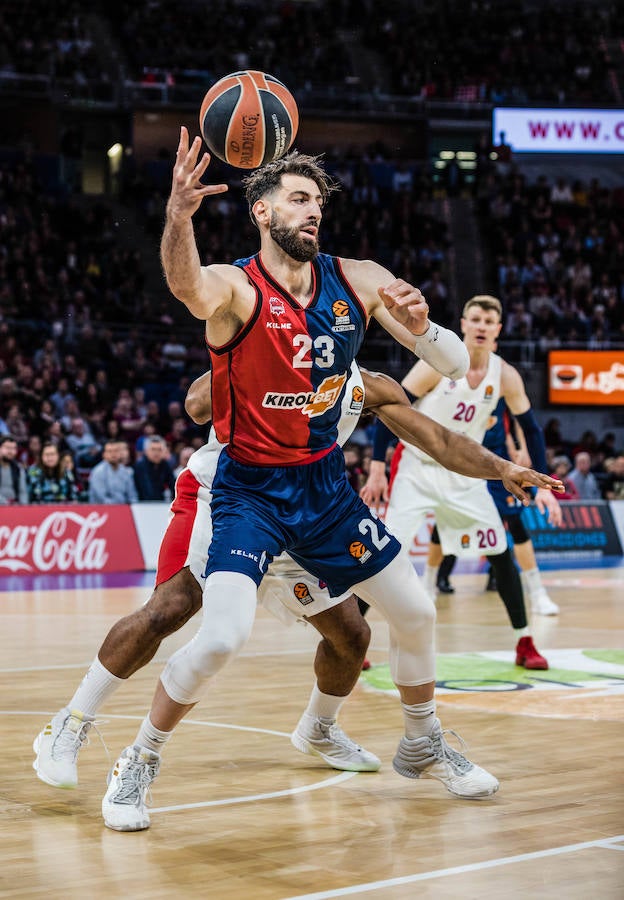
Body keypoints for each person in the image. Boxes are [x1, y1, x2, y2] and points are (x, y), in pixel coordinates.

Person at [36, 133, 560, 832]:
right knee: (183, 615)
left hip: (319, 498)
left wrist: (426, 332)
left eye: (320, 201)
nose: (314, 211)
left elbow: (442, 395)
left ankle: (345, 733)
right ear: (261, 210)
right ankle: (83, 727)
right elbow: (191, 301)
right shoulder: (239, 290)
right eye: (299, 198)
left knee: (355, 636)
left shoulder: (360, 323)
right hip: (236, 485)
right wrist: (179, 220)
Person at [33, 362, 560, 825]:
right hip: (224, 495)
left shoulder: (366, 385)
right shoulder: (260, 347)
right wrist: (237, 354)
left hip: (307, 512)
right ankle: (71, 723)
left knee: (352, 636)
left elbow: (438, 440)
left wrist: (500, 466)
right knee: (171, 610)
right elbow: (195, 404)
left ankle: (319, 729)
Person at [362, 294, 562, 672]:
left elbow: (532, 430)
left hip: (465, 473)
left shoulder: (505, 375)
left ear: (498, 329)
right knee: (383, 553)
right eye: (476, 320)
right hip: (417, 467)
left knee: (500, 551)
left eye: (490, 321)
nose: (483, 326)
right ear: (464, 325)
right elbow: (390, 405)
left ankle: (524, 640)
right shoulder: (437, 365)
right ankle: (355, 638)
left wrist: (541, 483)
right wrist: (376, 467)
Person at [442, 397, 562, 614]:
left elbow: (518, 421)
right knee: (448, 521)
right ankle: (434, 579)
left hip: (497, 461)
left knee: (514, 523)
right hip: (463, 457)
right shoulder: (454, 382)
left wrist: (521, 448)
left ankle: (536, 593)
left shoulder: (501, 379)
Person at [88, 439, 139, 504]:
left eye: (116, 451)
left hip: (124, 509)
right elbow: (102, 499)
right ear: (104, 455)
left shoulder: (126, 472)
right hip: (103, 510)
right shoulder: (97, 472)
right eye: (110, 451)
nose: (113, 454)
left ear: (120, 453)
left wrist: (133, 506)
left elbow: (132, 495)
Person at [133, 435, 176, 501]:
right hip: (143, 504)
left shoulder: (165, 465)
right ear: (146, 451)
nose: (156, 453)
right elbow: (148, 493)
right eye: (153, 449)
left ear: (164, 451)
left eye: (159, 450)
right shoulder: (140, 466)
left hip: (160, 503)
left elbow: (174, 485)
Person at [0, 434, 28, 504]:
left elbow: (23, 491)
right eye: (7, 448)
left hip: (14, 507)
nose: (11, 451)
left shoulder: (18, 468)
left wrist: (23, 507)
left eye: (14, 448)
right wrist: (6, 504)